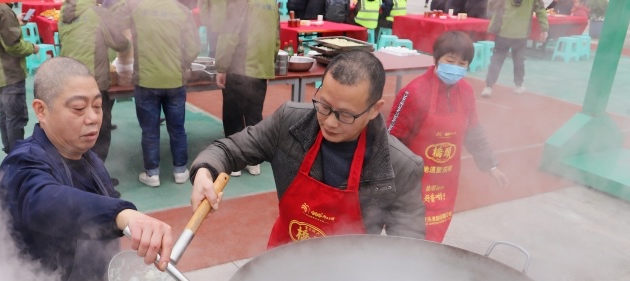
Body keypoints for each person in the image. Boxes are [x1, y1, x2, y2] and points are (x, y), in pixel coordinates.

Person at [190, 50, 425, 248]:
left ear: (374, 109)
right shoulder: (289, 123)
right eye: (324, 105)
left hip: (349, 279)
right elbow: (229, 149)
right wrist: (204, 171)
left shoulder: (400, 167)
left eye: (345, 115)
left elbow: (408, 247)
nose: (330, 122)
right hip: (282, 262)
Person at [0, 57, 174, 281]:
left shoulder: (89, 158)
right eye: (78, 108)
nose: (93, 118)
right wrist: (122, 214)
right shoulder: (21, 163)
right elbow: (46, 201)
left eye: (97, 106)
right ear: (41, 110)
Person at [387, 31, 508, 242]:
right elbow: (391, 141)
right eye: (450, 61)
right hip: (412, 187)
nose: (456, 67)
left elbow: (473, 132)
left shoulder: (466, 92)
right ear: (436, 59)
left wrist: (491, 166)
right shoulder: (414, 92)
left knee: (434, 239)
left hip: (445, 185)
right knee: (406, 241)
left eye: (462, 63)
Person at [113, 0, 200, 188]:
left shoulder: (137, 8)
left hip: (146, 81)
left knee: (150, 131)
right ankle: (180, 170)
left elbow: (113, 21)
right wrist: (182, 64)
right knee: (177, 129)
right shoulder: (182, 11)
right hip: (174, 80)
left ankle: (152, 173)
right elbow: (194, 48)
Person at [58, 0, 129, 164]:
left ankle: (76, 170)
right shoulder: (98, 13)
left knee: (76, 129)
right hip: (93, 82)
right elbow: (119, 42)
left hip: (68, 79)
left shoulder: (64, 14)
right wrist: (129, 42)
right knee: (99, 130)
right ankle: (95, 174)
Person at [214, 0, 280, 177]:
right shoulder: (271, 3)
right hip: (261, 68)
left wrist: (221, 67)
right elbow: (276, 38)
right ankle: (254, 161)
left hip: (239, 67)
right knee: (254, 116)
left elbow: (229, 35)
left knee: (233, 116)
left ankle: (235, 163)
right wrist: (268, 66)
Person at [0, 3, 40, 154]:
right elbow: (14, 47)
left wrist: (14, 21)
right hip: (9, 72)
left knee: (5, 114)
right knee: (16, 118)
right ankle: (17, 155)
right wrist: (32, 48)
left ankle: (9, 149)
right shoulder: (3, 10)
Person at [482, 0, 548, 97]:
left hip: (508, 33)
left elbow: (491, 5)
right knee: (516, 61)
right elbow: (540, 10)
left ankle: (490, 86)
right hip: (516, 34)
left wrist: (544, 28)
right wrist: (544, 29)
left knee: (500, 60)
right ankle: (517, 85)